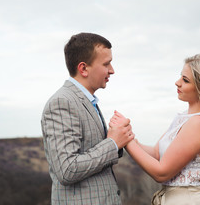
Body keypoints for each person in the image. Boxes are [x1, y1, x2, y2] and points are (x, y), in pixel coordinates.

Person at [109, 54, 200, 205]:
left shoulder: (199, 123)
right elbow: (156, 154)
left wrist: (126, 141)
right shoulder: (183, 118)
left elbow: (162, 173)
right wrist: (127, 134)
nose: (177, 83)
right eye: (180, 77)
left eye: (185, 80)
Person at [41, 32, 134, 205]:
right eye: (106, 64)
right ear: (83, 68)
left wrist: (118, 138)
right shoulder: (62, 102)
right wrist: (112, 143)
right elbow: (67, 169)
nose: (112, 70)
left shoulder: (87, 101)